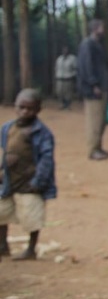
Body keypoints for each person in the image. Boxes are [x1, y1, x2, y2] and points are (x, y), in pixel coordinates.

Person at [0, 89, 56, 261]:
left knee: (32, 216)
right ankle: (3, 245)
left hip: (30, 181)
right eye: (21, 107)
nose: (25, 111)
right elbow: (5, 150)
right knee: (2, 212)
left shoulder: (42, 133)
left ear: (38, 110)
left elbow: (46, 160)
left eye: (30, 109)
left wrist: (38, 181)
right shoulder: (8, 128)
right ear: (15, 107)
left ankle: (31, 249)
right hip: (10, 179)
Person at [77, 19, 108, 161]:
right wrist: (93, 84)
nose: (104, 30)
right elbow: (86, 65)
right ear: (95, 29)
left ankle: (98, 147)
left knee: (101, 120)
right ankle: (92, 150)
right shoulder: (88, 44)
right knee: (94, 120)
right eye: (102, 27)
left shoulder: (98, 44)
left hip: (102, 86)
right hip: (93, 89)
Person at [54, 46, 78, 110]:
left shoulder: (72, 58)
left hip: (68, 78)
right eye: (64, 50)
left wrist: (73, 75)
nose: (65, 51)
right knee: (59, 92)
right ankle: (62, 104)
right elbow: (56, 68)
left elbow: (75, 68)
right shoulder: (59, 58)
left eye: (66, 50)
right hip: (59, 78)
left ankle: (67, 106)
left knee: (68, 93)